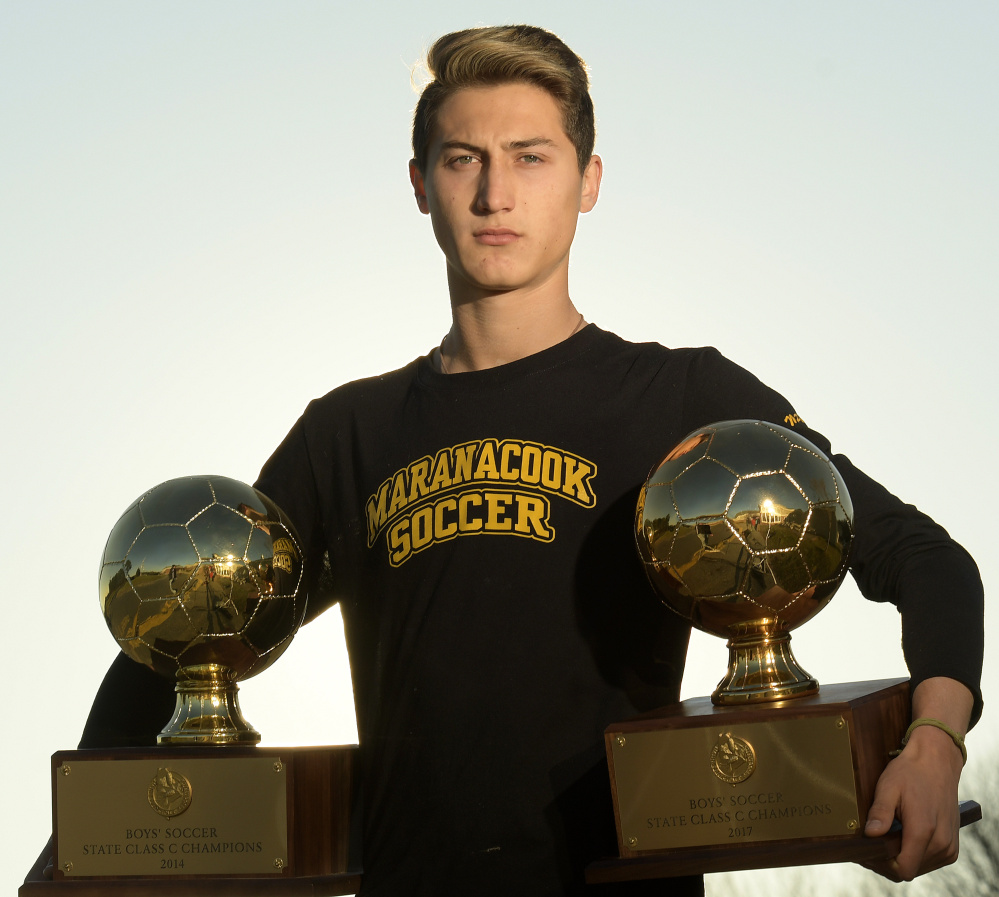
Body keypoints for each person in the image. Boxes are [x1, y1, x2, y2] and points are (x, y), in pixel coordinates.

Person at [78, 24, 983, 897]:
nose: (493, 193)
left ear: (588, 182)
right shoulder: (344, 433)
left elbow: (924, 557)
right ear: (420, 184)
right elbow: (186, 634)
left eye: (530, 156)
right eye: (462, 157)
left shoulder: (677, 398)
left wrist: (933, 741)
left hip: (624, 886)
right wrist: (81, 845)